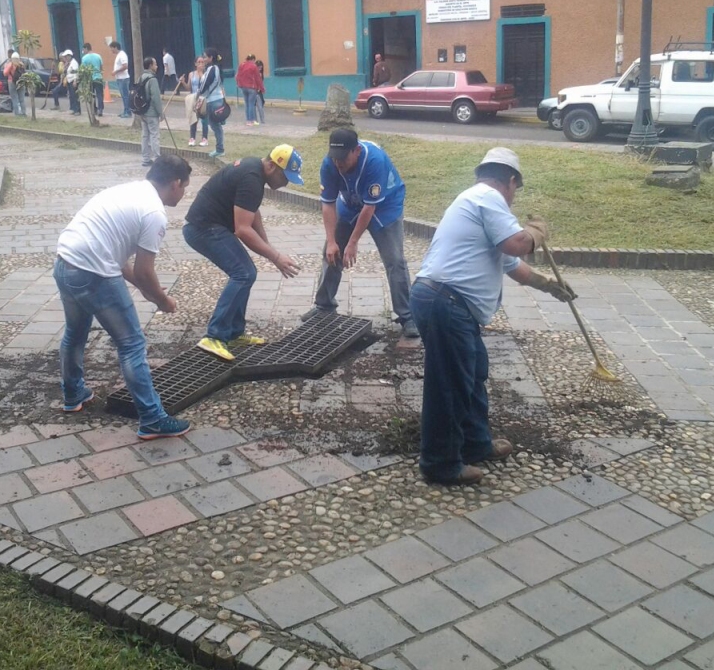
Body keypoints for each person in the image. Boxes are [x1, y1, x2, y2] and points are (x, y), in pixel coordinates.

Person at [412, 148, 576, 485]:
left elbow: (512, 264)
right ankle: (440, 464)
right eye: (516, 189)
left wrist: (549, 285)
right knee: (451, 387)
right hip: (446, 303)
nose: (514, 197)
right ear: (511, 181)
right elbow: (518, 245)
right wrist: (535, 233)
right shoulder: (486, 197)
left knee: (473, 375)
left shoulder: (478, 205)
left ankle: (475, 443)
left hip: (448, 303)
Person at [54, 155, 193, 439]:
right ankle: (153, 418)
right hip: (94, 273)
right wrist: (162, 301)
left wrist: (147, 289)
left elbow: (119, 259)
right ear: (176, 183)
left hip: (65, 263)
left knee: (75, 331)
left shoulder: (128, 191)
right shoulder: (154, 213)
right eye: (185, 187)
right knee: (131, 344)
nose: (184, 194)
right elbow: (144, 271)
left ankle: (73, 394)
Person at [183, 145, 303, 361]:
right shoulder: (251, 177)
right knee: (244, 273)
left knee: (246, 273)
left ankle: (234, 333)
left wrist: (268, 247)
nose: (286, 183)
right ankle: (214, 336)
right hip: (203, 228)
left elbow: (252, 211)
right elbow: (242, 230)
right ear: (271, 165)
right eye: (285, 177)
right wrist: (275, 257)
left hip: (209, 226)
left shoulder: (254, 171)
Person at [307, 128, 417, 337]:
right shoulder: (330, 163)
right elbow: (328, 204)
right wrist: (332, 241)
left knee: (395, 260)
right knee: (330, 253)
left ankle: (408, 316)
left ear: (356, 151)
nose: (339, 164)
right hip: (349, 203)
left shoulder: (375, 161)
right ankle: (324, 305)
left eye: (343, 159)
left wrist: (353, 241)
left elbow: (370, 207)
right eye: (335, 158)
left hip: (385, 206)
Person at [198, 47, 226, 158]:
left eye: (205, 57)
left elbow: (204, 85)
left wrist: (198, 94)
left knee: (214, 125)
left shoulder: (211, 69)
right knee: (216, 125)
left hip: (212, 100)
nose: (203, 59)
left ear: (211, 58)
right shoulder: (217, 68)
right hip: (216, 99)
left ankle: (220, 149)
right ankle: (220, 148)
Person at [138, 57, 163, 168]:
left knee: (145, 135)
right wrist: (161, 112)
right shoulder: (152, 79)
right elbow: (156, 98)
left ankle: (146, 159)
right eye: (155, 64)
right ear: (150, 66)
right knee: (154, 135)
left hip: (142, 111)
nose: (156, 66)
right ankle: (157, 158)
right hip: (152, 112)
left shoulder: (141, 77)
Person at [182, 56, 209, 147]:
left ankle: (204, 138)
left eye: (202, 62)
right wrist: (183, 82)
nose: (201, 64)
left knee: (204, 119)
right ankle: (192, 138)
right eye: (199, 62)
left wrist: (201, 73)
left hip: (203, 98)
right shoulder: (191, 74)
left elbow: (205, 83)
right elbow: (189, 87)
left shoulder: (206, 74)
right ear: (195, 64)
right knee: (193, 118)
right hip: (194, 98)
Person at [235, 54, 263, 126]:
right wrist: (262, 88)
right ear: (253, 59)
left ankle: (248, 120)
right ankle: (252, 120)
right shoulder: (254, 66)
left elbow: (238, 76)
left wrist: (239, 84)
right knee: (251, 104)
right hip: (252, 87)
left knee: (247, 104)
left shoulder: (241, 65)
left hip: (243, 87)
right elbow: (258, 78)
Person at [82, 42, 105, 117]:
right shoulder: (98, 56)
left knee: (92, 95)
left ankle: (94, 109)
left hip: (90, 79)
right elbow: (101, 68)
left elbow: (84, 70)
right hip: (98, 78)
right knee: (100, 95)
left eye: (84, 49)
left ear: (86, 48)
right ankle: (100, 109)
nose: (83, 51)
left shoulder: (84, 58)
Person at [110, 41, 132, 118]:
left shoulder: (122, 55)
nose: (111, 50)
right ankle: (125, 110)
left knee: (125, 96)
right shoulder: (119, 55)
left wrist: (115, 71)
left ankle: (128, 112)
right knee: (124, 96)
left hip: (123, 79)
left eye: (112, 48)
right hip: (120, 79)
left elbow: (125, 66)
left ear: (115, 47)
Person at [4, 52, 26, 117]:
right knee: (22, 98)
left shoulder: (10, 64)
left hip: (12, 82)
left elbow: (5, 73)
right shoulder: (21, 64)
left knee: (15, 98)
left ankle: (17, 113)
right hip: (21, 82)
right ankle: (23, 112)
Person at [65, 50, 81, 115]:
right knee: (71, 96)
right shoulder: (69, 63)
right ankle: (73, 109)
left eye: (66, 56)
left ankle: (77, 110)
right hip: (69, 81)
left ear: (69, 56)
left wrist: (75, 81)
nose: (65, 58)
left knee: (75, 96)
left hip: (73, 81)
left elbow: (75, 73)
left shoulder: (74, 63)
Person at [254, 59, 266, 125]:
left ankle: (261, 120)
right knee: (257, 106)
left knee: (260, 105)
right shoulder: (256, 74)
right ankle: (257, 120)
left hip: (259, 91)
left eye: (261, 67)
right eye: (258, 67)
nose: (260, 69)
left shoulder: (260, 74)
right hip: (255, 91)